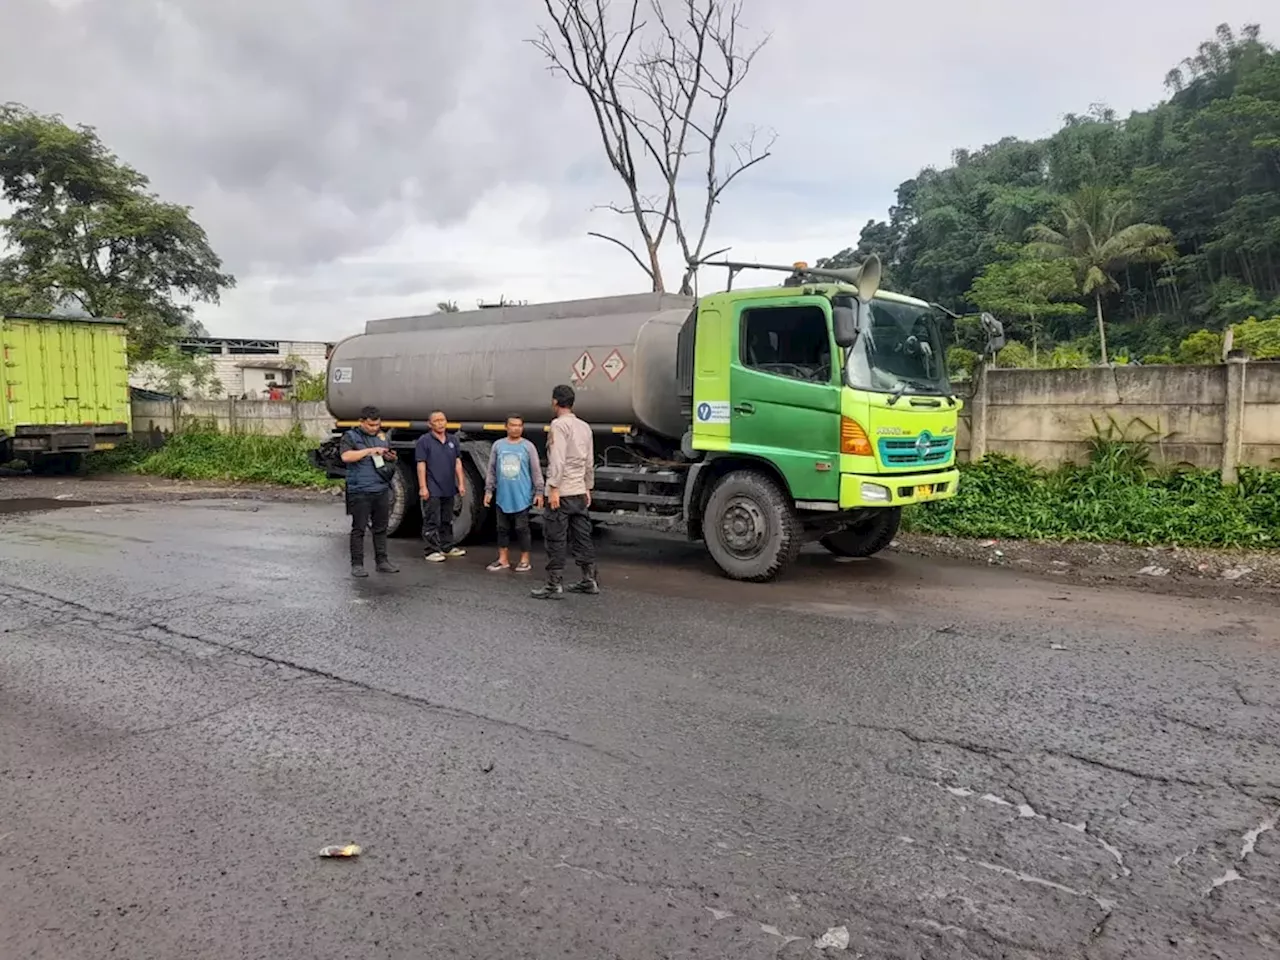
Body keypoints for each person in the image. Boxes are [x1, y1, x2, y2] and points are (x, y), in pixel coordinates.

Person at [532, 384, 597, 600]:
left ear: (554, 402)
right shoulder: (584, 426)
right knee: (582, 536)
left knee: (556, 537)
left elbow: (557, 459)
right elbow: (589, 461)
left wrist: (553, 487)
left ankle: (554, 584)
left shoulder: (558, 426)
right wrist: (588, 487)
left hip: (563, 491)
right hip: (579, 490)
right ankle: (589, 579)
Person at [338, 405, 400, 578]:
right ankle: (357, 564)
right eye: (371, 425)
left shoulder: (382, 437)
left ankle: (382, 561)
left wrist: (390, 456)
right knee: (359, 529)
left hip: (380, 488)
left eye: (377, 425)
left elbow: (388, 458)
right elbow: (346, 456)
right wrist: (369, 451)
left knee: (381, 528)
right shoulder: (350, 436)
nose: (374, 428)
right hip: (360, 490)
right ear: (361, 422)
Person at [483, 415, 544, 573]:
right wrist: (489, 490)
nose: (516, 428)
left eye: (519, 425)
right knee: (502, 528)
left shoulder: (528, 447)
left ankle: (525, 560)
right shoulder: (498, 446)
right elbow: (491, 470)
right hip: (503, 496)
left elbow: (536, 470)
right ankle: (503, 560)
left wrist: (539, 492)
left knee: (522, 528)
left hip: (522, 496)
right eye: (513, 425)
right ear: (506, 427)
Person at [415, 410, 467, 562]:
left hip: (448, 486)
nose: (440, 423)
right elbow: (421, 465)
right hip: (432, 487)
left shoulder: (453, 440)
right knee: (432, 519)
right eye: (436, 421)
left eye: (442, 420)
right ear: (430, 424)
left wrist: (461, 483)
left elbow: (458, 463)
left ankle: (447, 547)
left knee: (447, 519)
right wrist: (423, 487)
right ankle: (430, 550)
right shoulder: (424, 441)